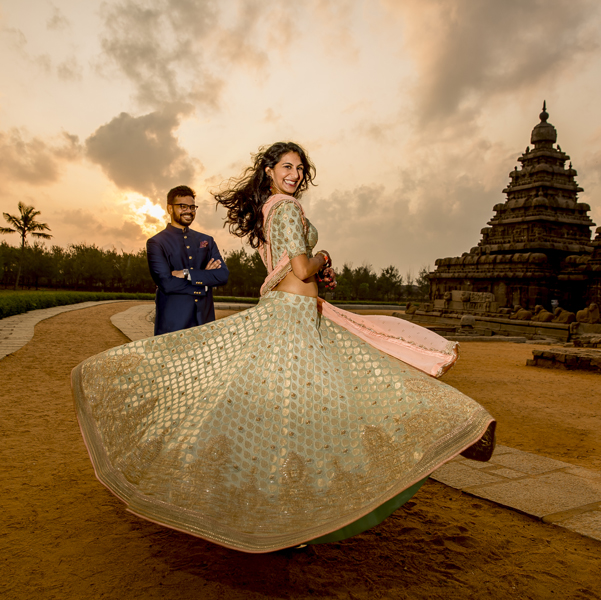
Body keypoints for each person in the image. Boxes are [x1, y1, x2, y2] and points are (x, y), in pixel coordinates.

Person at [72, 142, 495, 553]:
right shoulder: (287, 207)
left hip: (286, 309)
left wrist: (316, 275)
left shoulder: (267, 211)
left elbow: (285, 268)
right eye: (286, 167)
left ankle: (280, 515)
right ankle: (462, 426)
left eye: (298, 169)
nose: (293, 175)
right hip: (292, 320)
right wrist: (322, 257)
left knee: (283, 417)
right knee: (352, 392)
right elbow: (298, 266)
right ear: (270, 171)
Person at [146, 185, 229, 335]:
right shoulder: (157, 242)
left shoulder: (206, 240)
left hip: (204, 325)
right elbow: (167, 283)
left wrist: (187, 273)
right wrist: (204, 283)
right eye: (183, 206)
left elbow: (223, 275)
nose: (189, 211)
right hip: (173, 325)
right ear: (170, 208)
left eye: (192, 207)